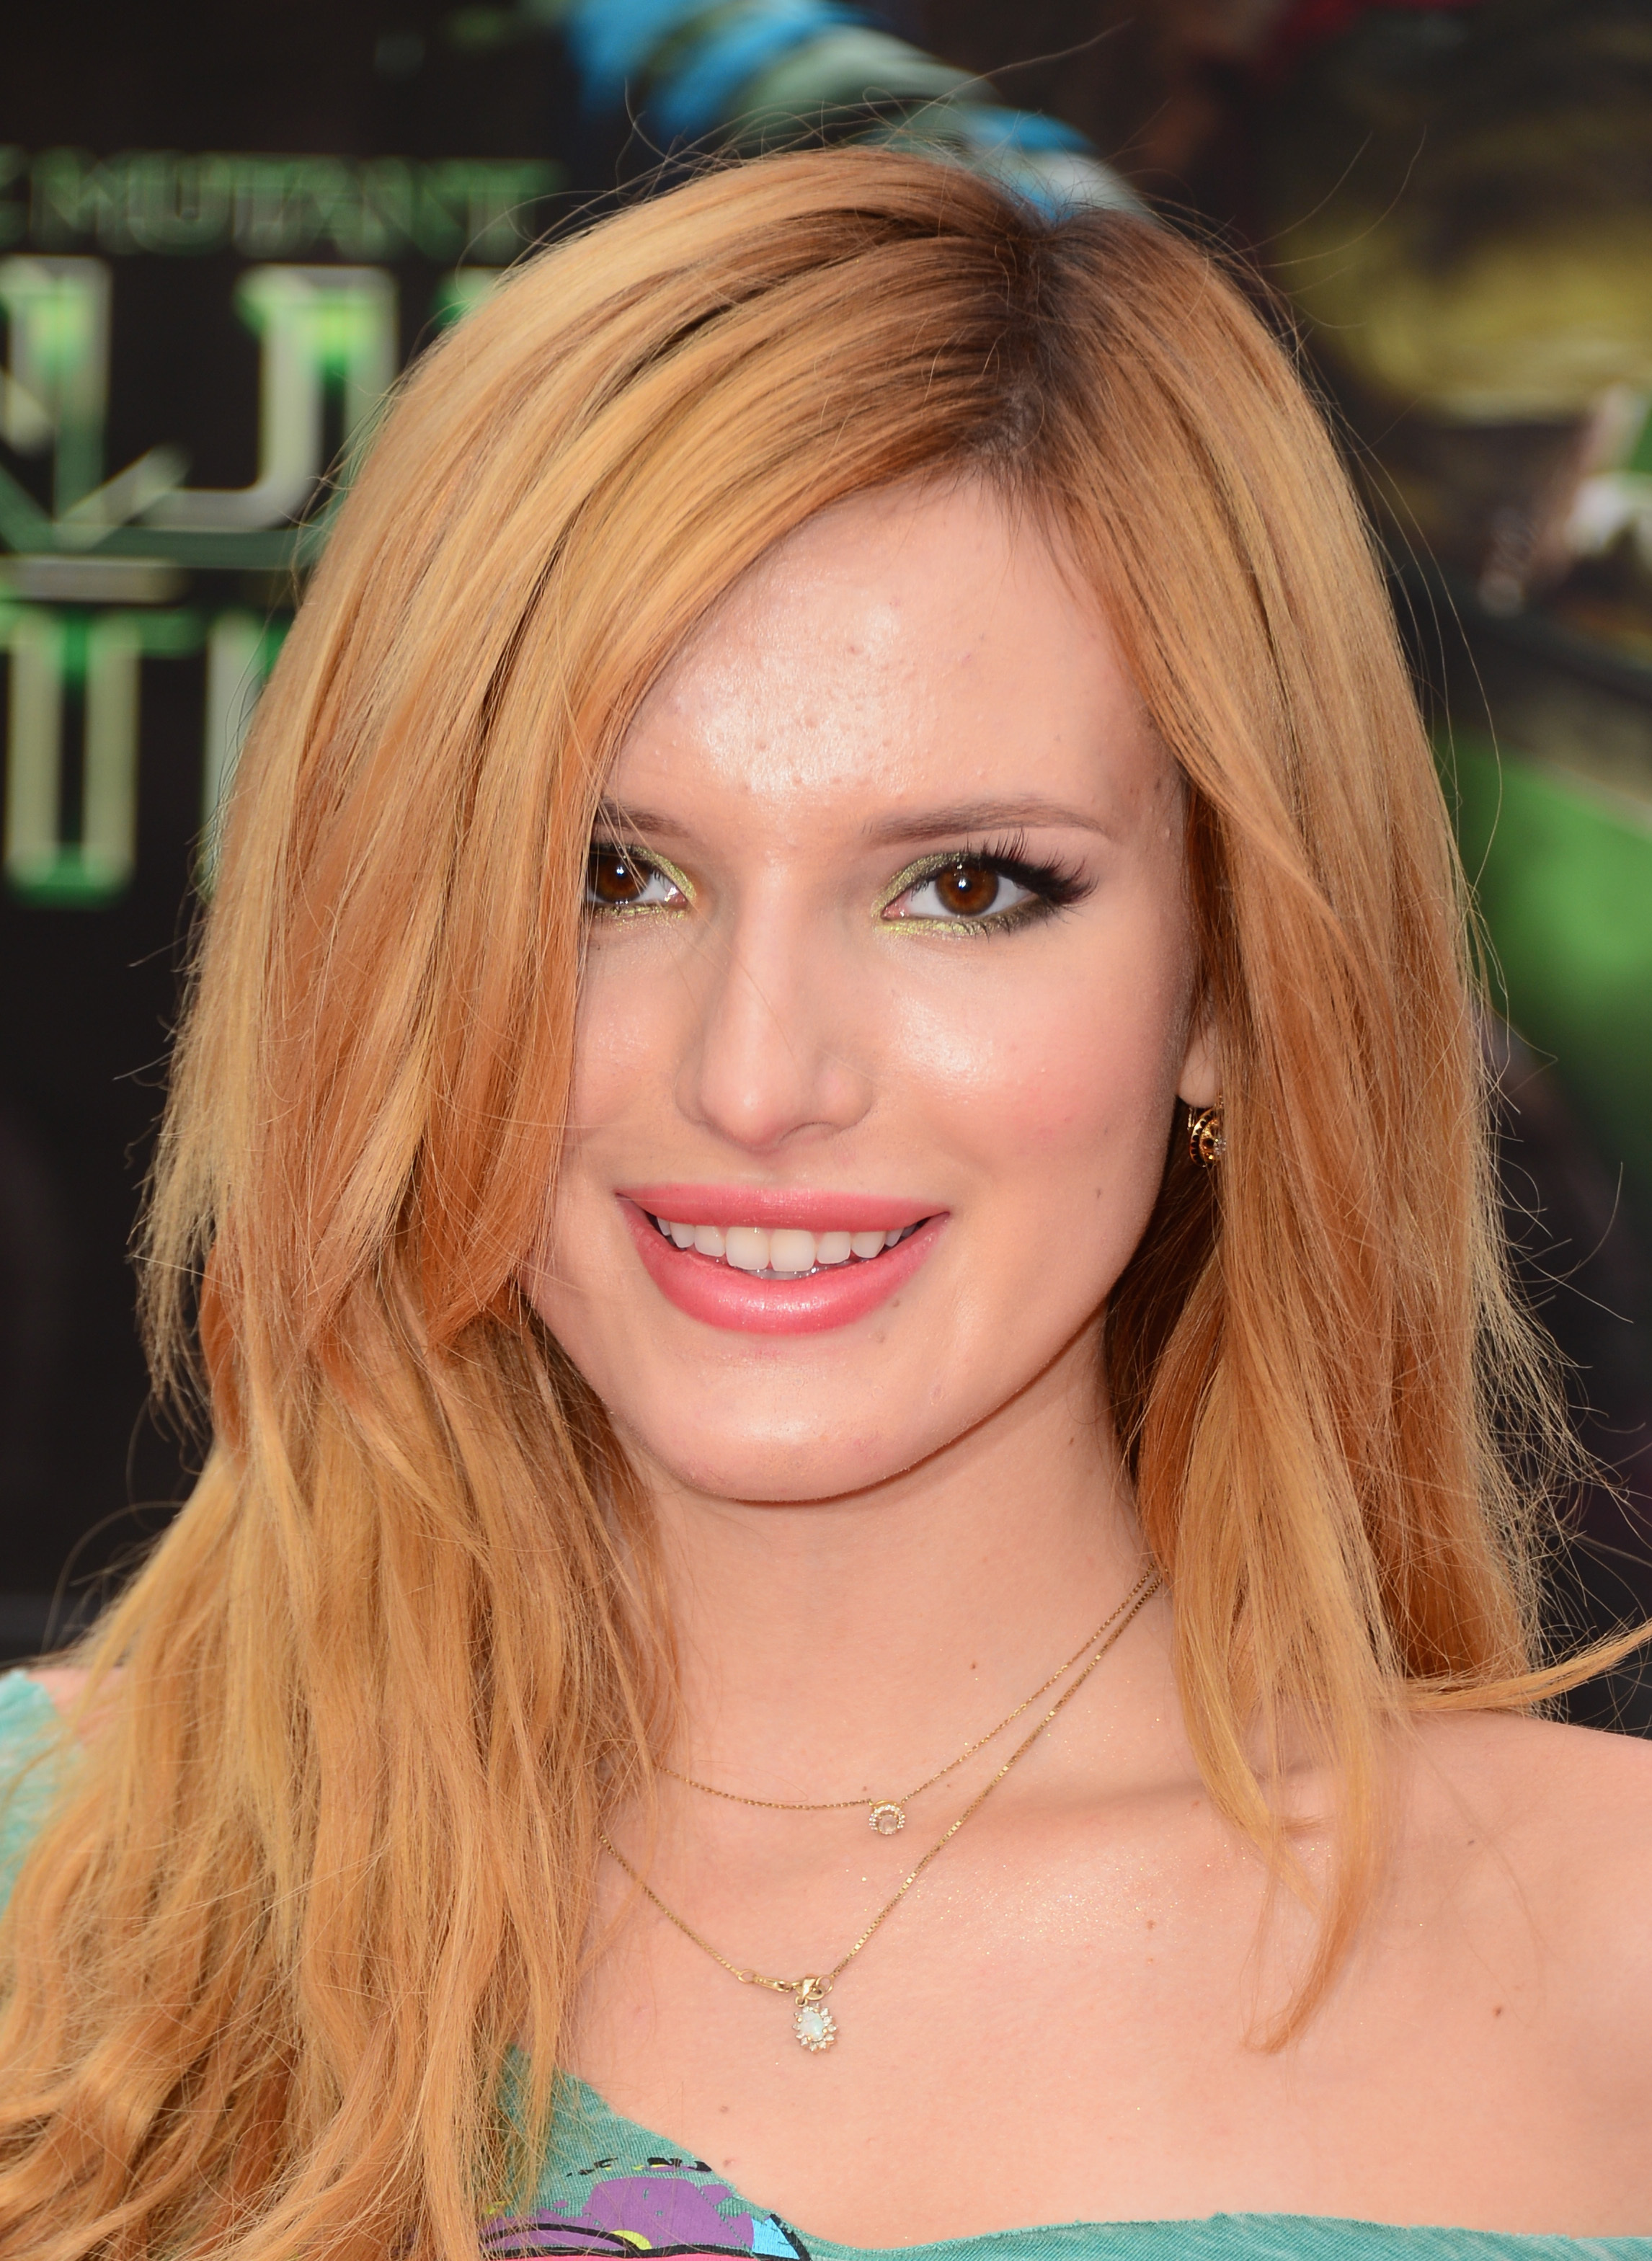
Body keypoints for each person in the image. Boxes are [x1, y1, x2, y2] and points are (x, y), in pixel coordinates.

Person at [1, 148, 1649, 2261]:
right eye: (611, 875)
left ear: (1232, 981)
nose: (755, 1075)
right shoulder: (54, 1898)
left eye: (967, 886)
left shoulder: (1606, 1965)